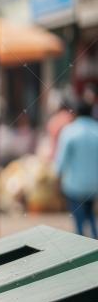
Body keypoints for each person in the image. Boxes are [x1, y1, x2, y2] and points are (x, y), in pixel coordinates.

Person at [55, 101, 98, 238]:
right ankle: (94, 239)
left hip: (74, 186)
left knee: (78, 219)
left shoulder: (69, 131)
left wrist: (57, 178)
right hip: (94, 185)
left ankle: (82, 242)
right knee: (90, 214)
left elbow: (61, 160)